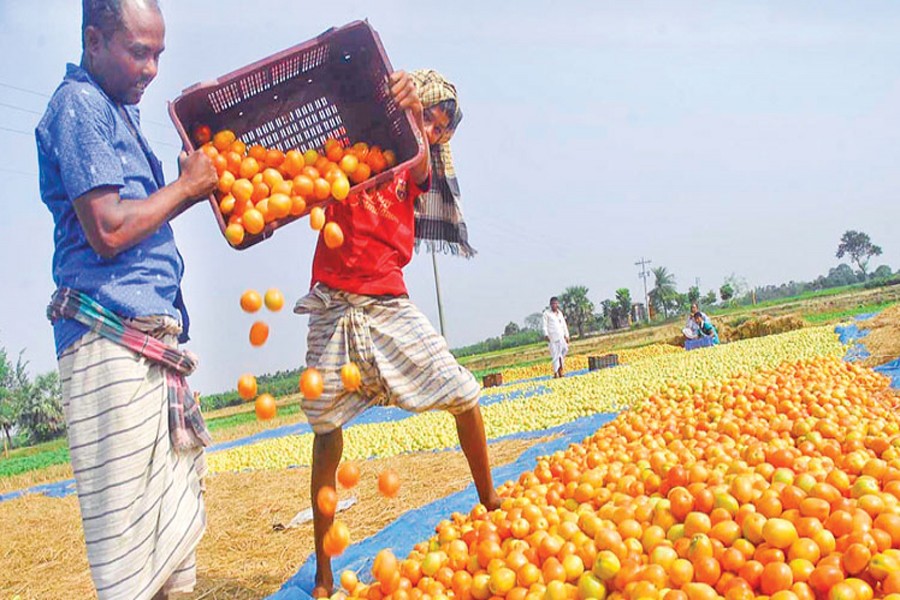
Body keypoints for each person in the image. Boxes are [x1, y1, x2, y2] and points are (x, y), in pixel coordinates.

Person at [293, 69, 500, 597]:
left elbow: (422, 162)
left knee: (465, 393)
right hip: (333, 304)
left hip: (388, 304)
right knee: (324, 435)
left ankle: (492, 503)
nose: (432, 129)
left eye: (440, 125)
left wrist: (413, 123)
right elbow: (307, 177)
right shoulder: (351, 144)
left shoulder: (416, 165)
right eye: (426, 116)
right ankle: (322, 573)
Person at [36, 1, 218, 598]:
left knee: (167, 554)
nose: (151, 68)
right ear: (95, 40)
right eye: (138, 51)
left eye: (158, 53)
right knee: (130, 558)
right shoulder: (80, 105)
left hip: (143, 344)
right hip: (108, 344)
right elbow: (108, 229)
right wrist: (187, 189)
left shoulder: (115, 110)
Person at [542, 296, 570, 378]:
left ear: (558, 304)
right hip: (552, 338)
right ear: (550, 305)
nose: (554, 305)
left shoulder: (560, 313)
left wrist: (567, 335)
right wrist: (546, 334)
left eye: (556, 303)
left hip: (561, 336)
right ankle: (556, 373)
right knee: (555, 355)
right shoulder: (546, 314)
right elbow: (544, 326)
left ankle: (561, 369)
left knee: (564, 350)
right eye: (553, 304)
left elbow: (564, 325)